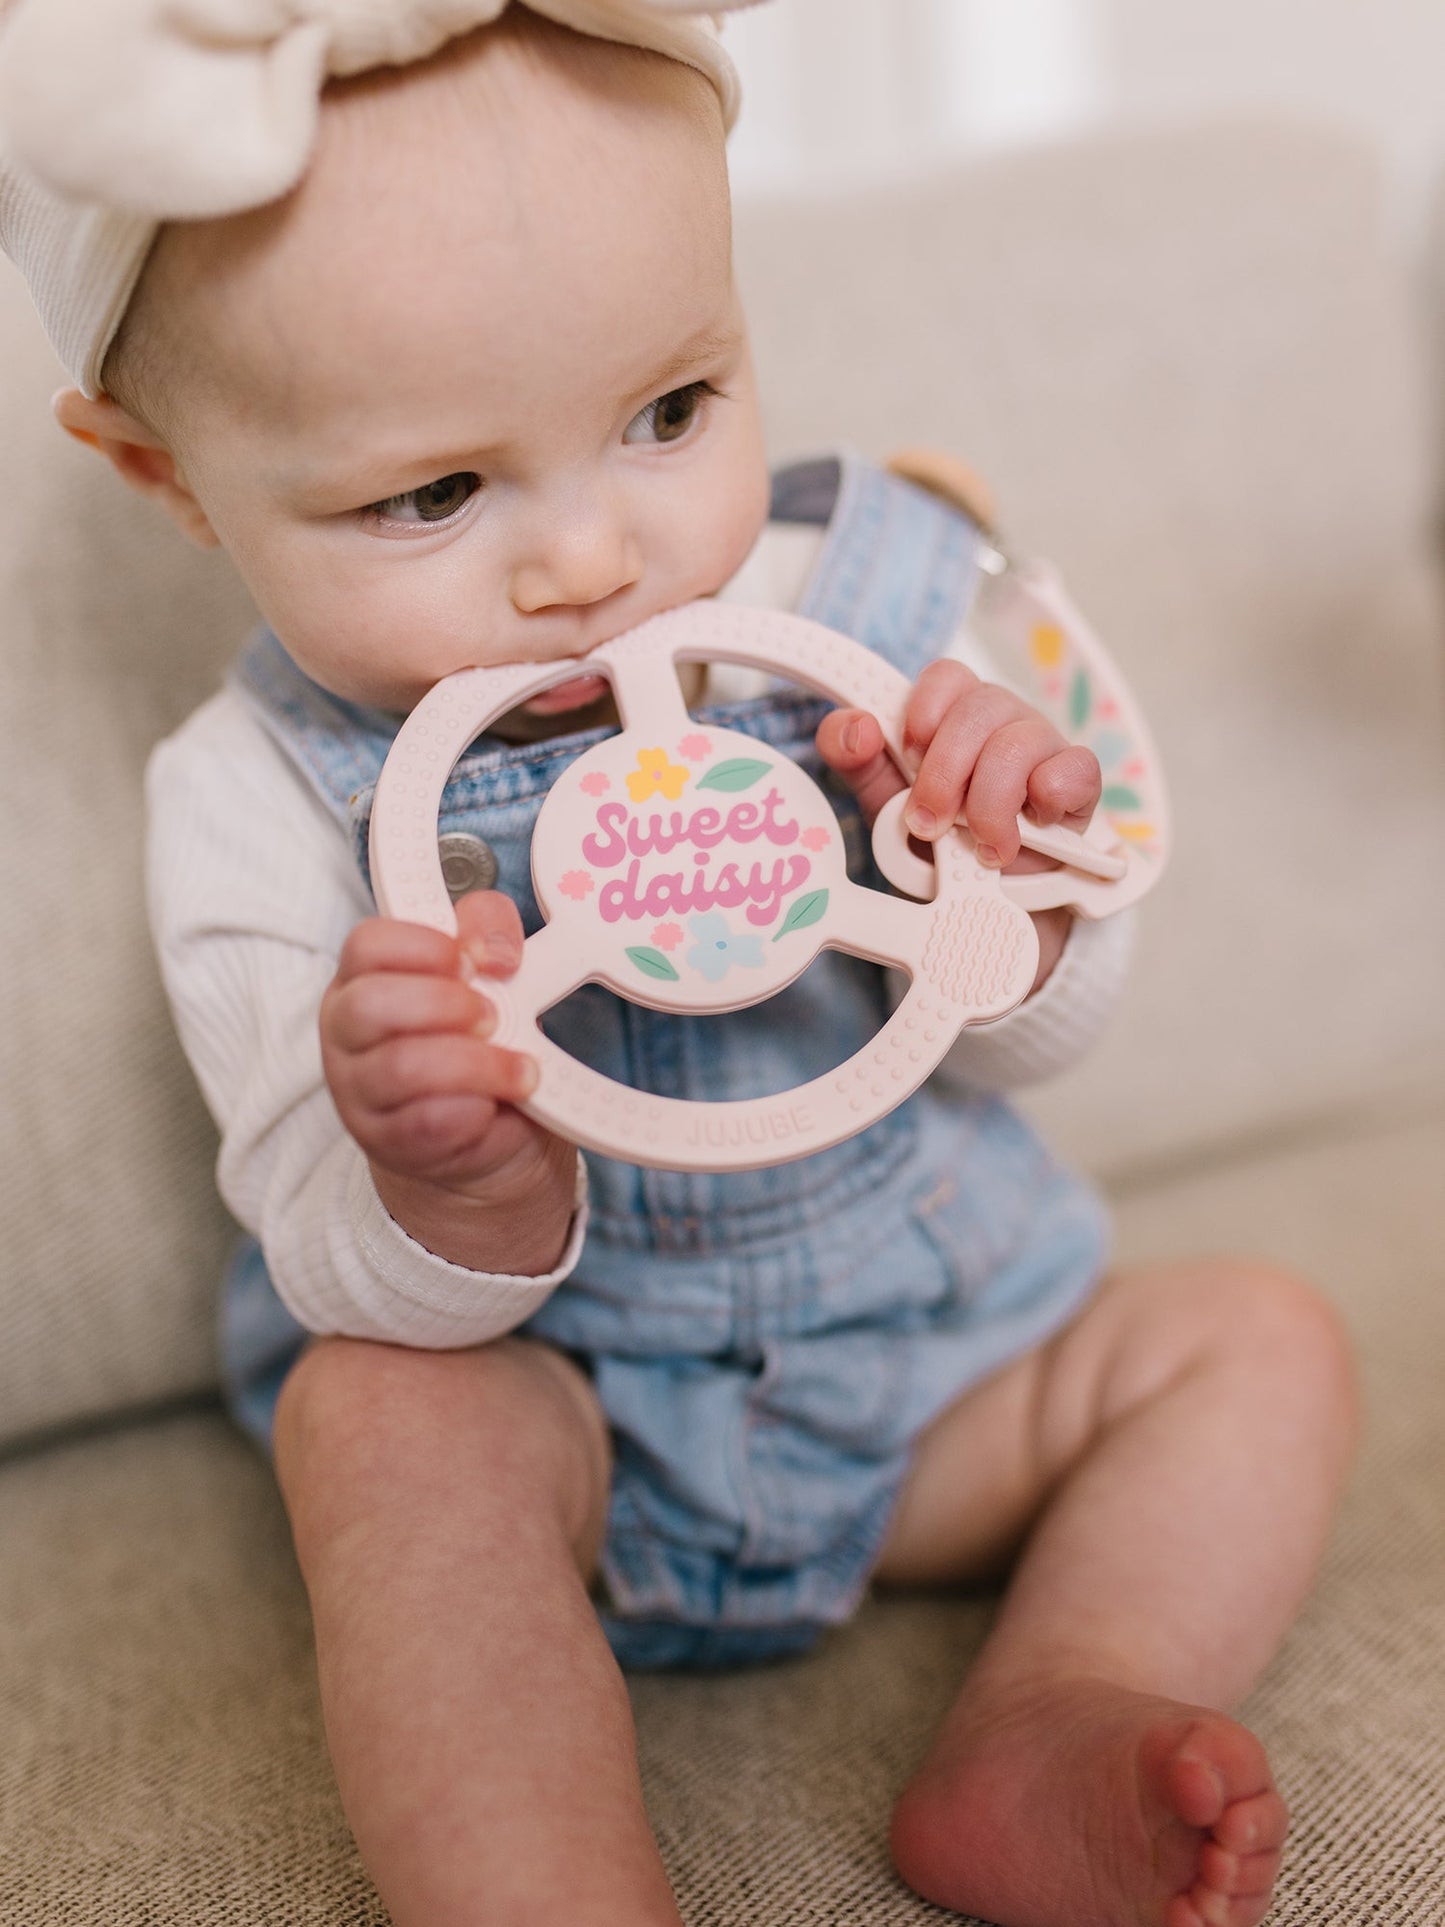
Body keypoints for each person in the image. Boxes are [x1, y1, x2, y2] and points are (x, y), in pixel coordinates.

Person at [0, 5, 1358, 1924]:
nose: (594, 561)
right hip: (565, 1434)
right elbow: (323, 1245)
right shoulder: (251, 796)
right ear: (168, 480)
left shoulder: (880, 613)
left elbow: (1030, 1042)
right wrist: (433, 1167)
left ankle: (1051, 1713)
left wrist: (1014, 889)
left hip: (935, 1382)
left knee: (1253, 1339)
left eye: (667, 412)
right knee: (375, 1424)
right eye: (435, 494)